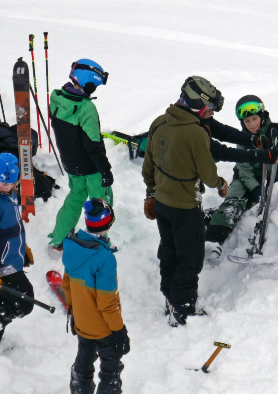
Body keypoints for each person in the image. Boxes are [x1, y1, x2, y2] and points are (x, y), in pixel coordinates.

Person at [142, 76, 230, 327]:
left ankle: (169, 297)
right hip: (185, 206)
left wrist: (150, 193)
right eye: (209, 109)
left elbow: (148, 165)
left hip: (162, 204)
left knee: (169, 250)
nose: (211, 114)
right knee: (190, 259)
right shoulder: (196, 132)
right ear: (197, 105)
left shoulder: (159, 122)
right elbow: (208, 173)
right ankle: (182, 309)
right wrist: (221, 183)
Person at [62, 198, 128, 394]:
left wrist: (73, 312)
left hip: (82, 322)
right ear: (108, 224)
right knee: (111, 370)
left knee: (84, 360)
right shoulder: (104, 258)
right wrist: (119, 331)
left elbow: (66, 285)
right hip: (103, 328)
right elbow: (107, 302)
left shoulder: (73, 247)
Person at [48, 59, 113, 251]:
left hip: (70, 163)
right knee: (100, 201)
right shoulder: (86, 108)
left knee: (75, 197)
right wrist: (105, 170)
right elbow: (93, 145)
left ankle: (59, 238)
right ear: (89, 82)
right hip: (91, 166)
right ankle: (100, 240)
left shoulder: (57, 98)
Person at [205, 95, 278, 246]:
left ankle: (212, 214)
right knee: (234, 204)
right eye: (247, 121)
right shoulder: (244, 138)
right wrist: (256, 188)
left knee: (250, 208)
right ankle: (212, 240)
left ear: (262, 115)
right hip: (244, 180)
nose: (252, 124)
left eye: (254, 119)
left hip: (271, 178)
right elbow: (244, 169)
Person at [0, 153, 34, 343]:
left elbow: (11, 229)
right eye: (1, 182)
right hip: (3, 266)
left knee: (13, 301)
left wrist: (21, 249)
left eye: (9, 183)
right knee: (24, 301)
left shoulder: (9, 196)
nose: (5, 186)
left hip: (11, 259)